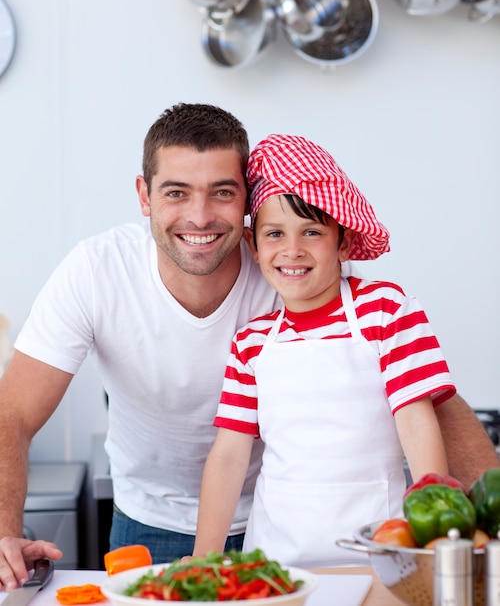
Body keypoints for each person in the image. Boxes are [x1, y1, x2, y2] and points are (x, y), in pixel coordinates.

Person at [0, 105, 497, 588]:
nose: (199, 216)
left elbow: (429, 403)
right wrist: (3, 530)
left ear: (245, 204)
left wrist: (487, 525)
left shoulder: (327, 286)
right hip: (152, 518)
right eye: (176, 191)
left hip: (323, 533)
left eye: (221, 192)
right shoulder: (99, 272)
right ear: (144, 194)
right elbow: (14, 413)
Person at [189, 134, 485, 567]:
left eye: (312, 231)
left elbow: (417, 425)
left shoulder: (385, 310)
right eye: (275, 234)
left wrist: (430, 537)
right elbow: (230, 456)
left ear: (344, 243)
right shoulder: (251, 343)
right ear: (253, 247)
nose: (292, 250)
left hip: (379, 552)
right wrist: (203, 559)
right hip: (276, 562)